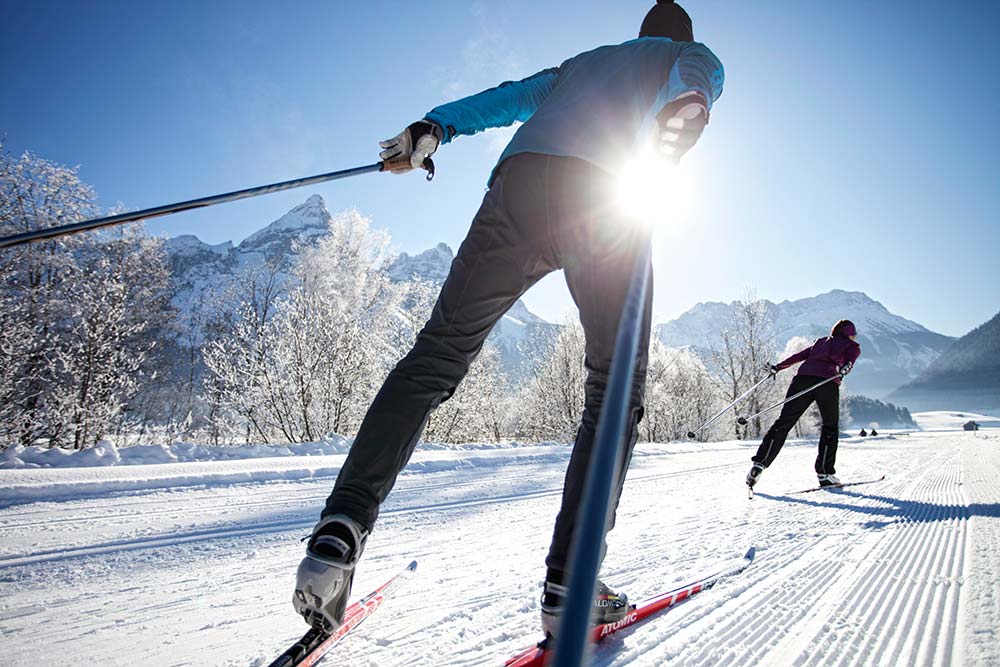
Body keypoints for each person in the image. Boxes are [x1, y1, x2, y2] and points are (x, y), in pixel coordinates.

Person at [292, 0, 724, 639]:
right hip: (609, 199)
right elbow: (697, 82)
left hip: (520, 188)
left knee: (437, 355)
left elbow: (506, 98)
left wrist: (434, 126)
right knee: (614, 386)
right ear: (678, 37)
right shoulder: (686, 55)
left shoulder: (580, 65)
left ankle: (339, 535)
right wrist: (686, 105)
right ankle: (570, 582)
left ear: (637, 33)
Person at [746, 320, 861, 489]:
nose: (854, 337)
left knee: (784, 423)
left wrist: (778, 367)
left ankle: (759, 464)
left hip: (801, 381)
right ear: (848, 334)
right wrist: (845, 368)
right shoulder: (852, 346)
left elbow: (799, 356)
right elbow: (850, 361)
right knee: (829, 427)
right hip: (826, 383)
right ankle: (825, 474)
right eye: (853, 334)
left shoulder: (820, 342)